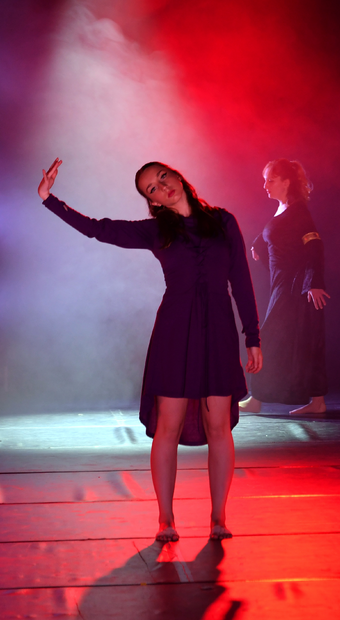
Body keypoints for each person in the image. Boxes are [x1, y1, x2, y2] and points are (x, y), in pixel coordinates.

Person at [38, 157, 262, 541]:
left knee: (219, 427)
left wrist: (252, 336)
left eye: (162, 177)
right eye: (152, 188)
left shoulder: (223, 221)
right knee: (168, 427)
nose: (162, 186)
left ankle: (218, 518)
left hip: (219, 331)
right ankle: (165, 520)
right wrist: (49, 199)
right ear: (153, 201)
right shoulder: (157, 231)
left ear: (178, 175)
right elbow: (98, 229)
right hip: (175, 332)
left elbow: (241, 278)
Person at [240, 159, 329, 415]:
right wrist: (258, 244)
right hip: (282, 285)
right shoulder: (283, 209)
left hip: (294, 287)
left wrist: (314, 283)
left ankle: (257, 399)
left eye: (271, 180)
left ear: (286, 182)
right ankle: (317, 402)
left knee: (271, 339)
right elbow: (277, 234)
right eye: (265, 180)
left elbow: (314, 245)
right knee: (302, 341)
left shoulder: (298, 211)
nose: (265, 186)